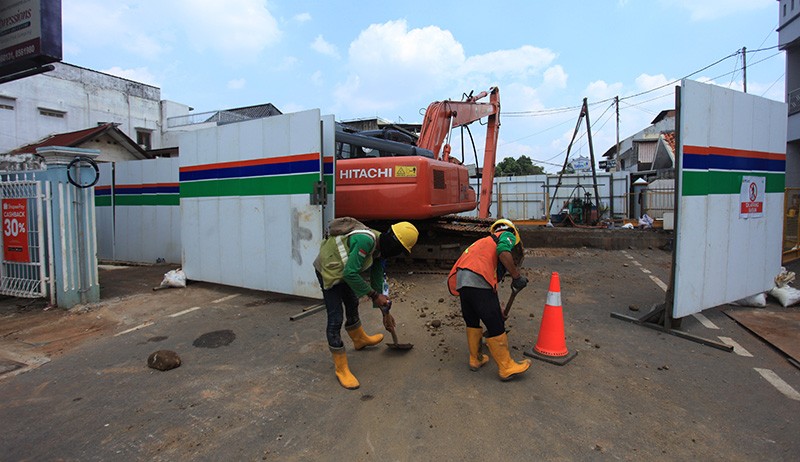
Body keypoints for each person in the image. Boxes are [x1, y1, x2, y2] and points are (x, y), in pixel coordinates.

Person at [313, 220, 419, 390]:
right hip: (329, 270)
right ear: (395, 244)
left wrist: (385, 311)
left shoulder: (380, 247)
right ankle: (341, 369)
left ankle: (359, 339)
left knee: (352, 302)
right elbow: (350, 274)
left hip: (345, 270)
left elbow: (376, 276)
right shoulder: (366, 241)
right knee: (335, 318)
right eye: (401, 250)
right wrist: (374, 295)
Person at [447, 219, 531, 381]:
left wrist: (497, 309)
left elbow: (489, 289)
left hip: (462, 280)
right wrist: (516, 276)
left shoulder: (483, 242)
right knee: (495, 324)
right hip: (478, 280)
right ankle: (506, 367)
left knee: (472, 320)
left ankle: (475, 359)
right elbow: (503, 251)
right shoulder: (507, 235)